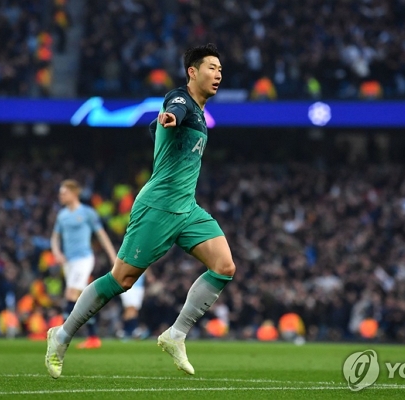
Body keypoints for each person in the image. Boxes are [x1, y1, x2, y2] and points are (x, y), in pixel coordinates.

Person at [46, 43, 235, 378]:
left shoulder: (200, 113)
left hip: (187, 208)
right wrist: (170, 117)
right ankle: (61, 336)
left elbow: (157, 131)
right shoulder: (181, 100)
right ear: (192, 72)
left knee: (224, 266)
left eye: (220, 69)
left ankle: (175, 335)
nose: (218, 74)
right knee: (122, 279)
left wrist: (162, 127)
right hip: (158, 207)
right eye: (211, 67)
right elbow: (173, 110)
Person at [51, 179, 117, 349]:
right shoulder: (62, 215)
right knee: (82, 299)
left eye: (64, 193)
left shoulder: (88, 212)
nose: (60, 195)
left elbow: (101, 235)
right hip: (68, 262)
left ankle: (62, 336)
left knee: (71, 294)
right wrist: (57, 253)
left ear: (74, 193)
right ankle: (93, 337)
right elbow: (55, 238)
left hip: (84, 259)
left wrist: (113, 257)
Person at [117, 273, 147, 340]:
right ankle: (124, 329)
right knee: (129, 308)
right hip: (129, 284)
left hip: (139, 286)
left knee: (135, 309)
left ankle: (133, 329)